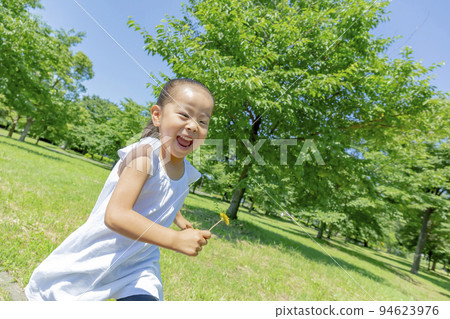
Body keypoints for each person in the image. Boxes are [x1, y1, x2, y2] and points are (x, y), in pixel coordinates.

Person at [25, 78, 215, 301]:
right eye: (184, 115)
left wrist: (179, 219)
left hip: (140, 265)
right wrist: (173, 239)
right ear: (157, 116)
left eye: (203, 122)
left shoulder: (186, 172)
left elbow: (164, 195)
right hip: (102, 253)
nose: (193, 126)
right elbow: (116, 215)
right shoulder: (144, 155)